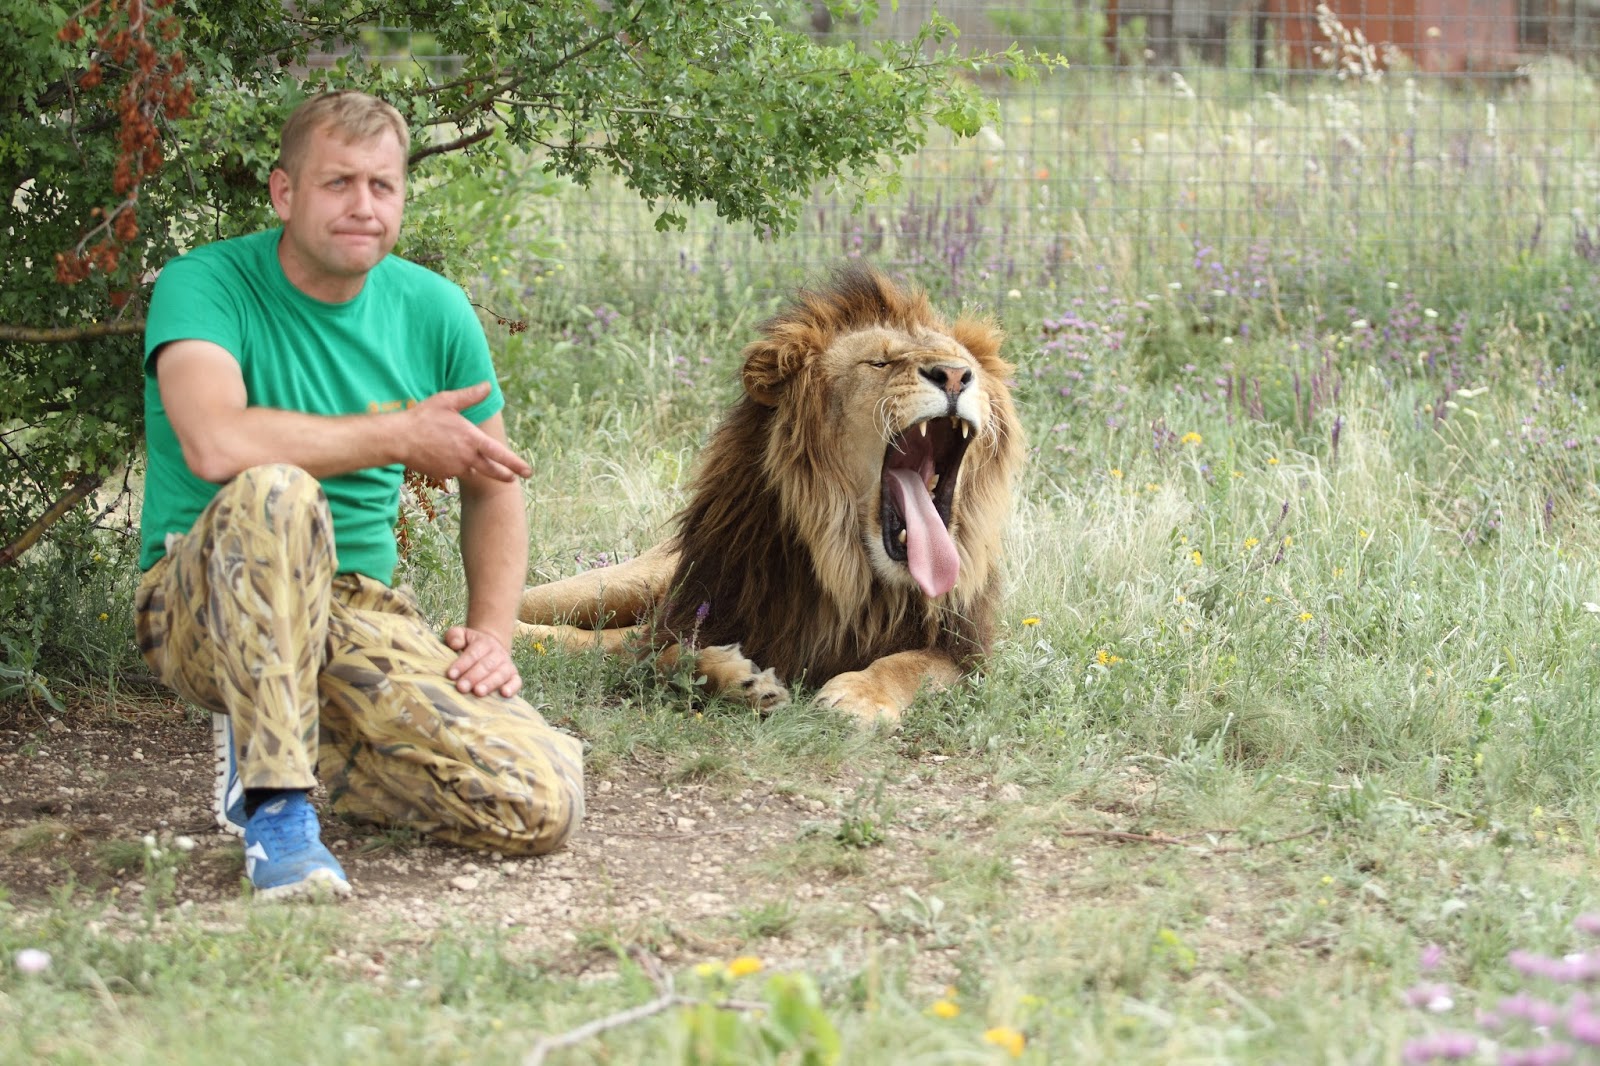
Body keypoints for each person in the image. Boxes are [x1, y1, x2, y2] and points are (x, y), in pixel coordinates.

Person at [133, 91, 585, 901]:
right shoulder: (204, 284)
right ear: (284, 193)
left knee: (540, 801)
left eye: (383, 187)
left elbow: (494, 482)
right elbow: (216, 442)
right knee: (277, 491)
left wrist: (491, 634)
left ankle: (304, 744)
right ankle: (276, 813)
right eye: (338, 183)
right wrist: (396, 437)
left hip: (356, 607)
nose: (363, 207)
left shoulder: (433, 308)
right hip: (202, 600)